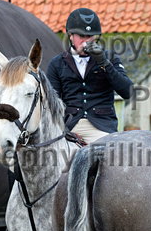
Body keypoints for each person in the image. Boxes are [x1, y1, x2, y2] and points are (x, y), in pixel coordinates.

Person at [47, 8, 133, 144]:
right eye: (81, 36)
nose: (86, 42)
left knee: (109, 156)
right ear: (70, 35)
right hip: (69, 125)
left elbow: (128, 92)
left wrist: (104, 63)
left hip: (101, 125)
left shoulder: (110, 57)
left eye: (90, 37)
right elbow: (51, 103)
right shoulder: (57, 63)